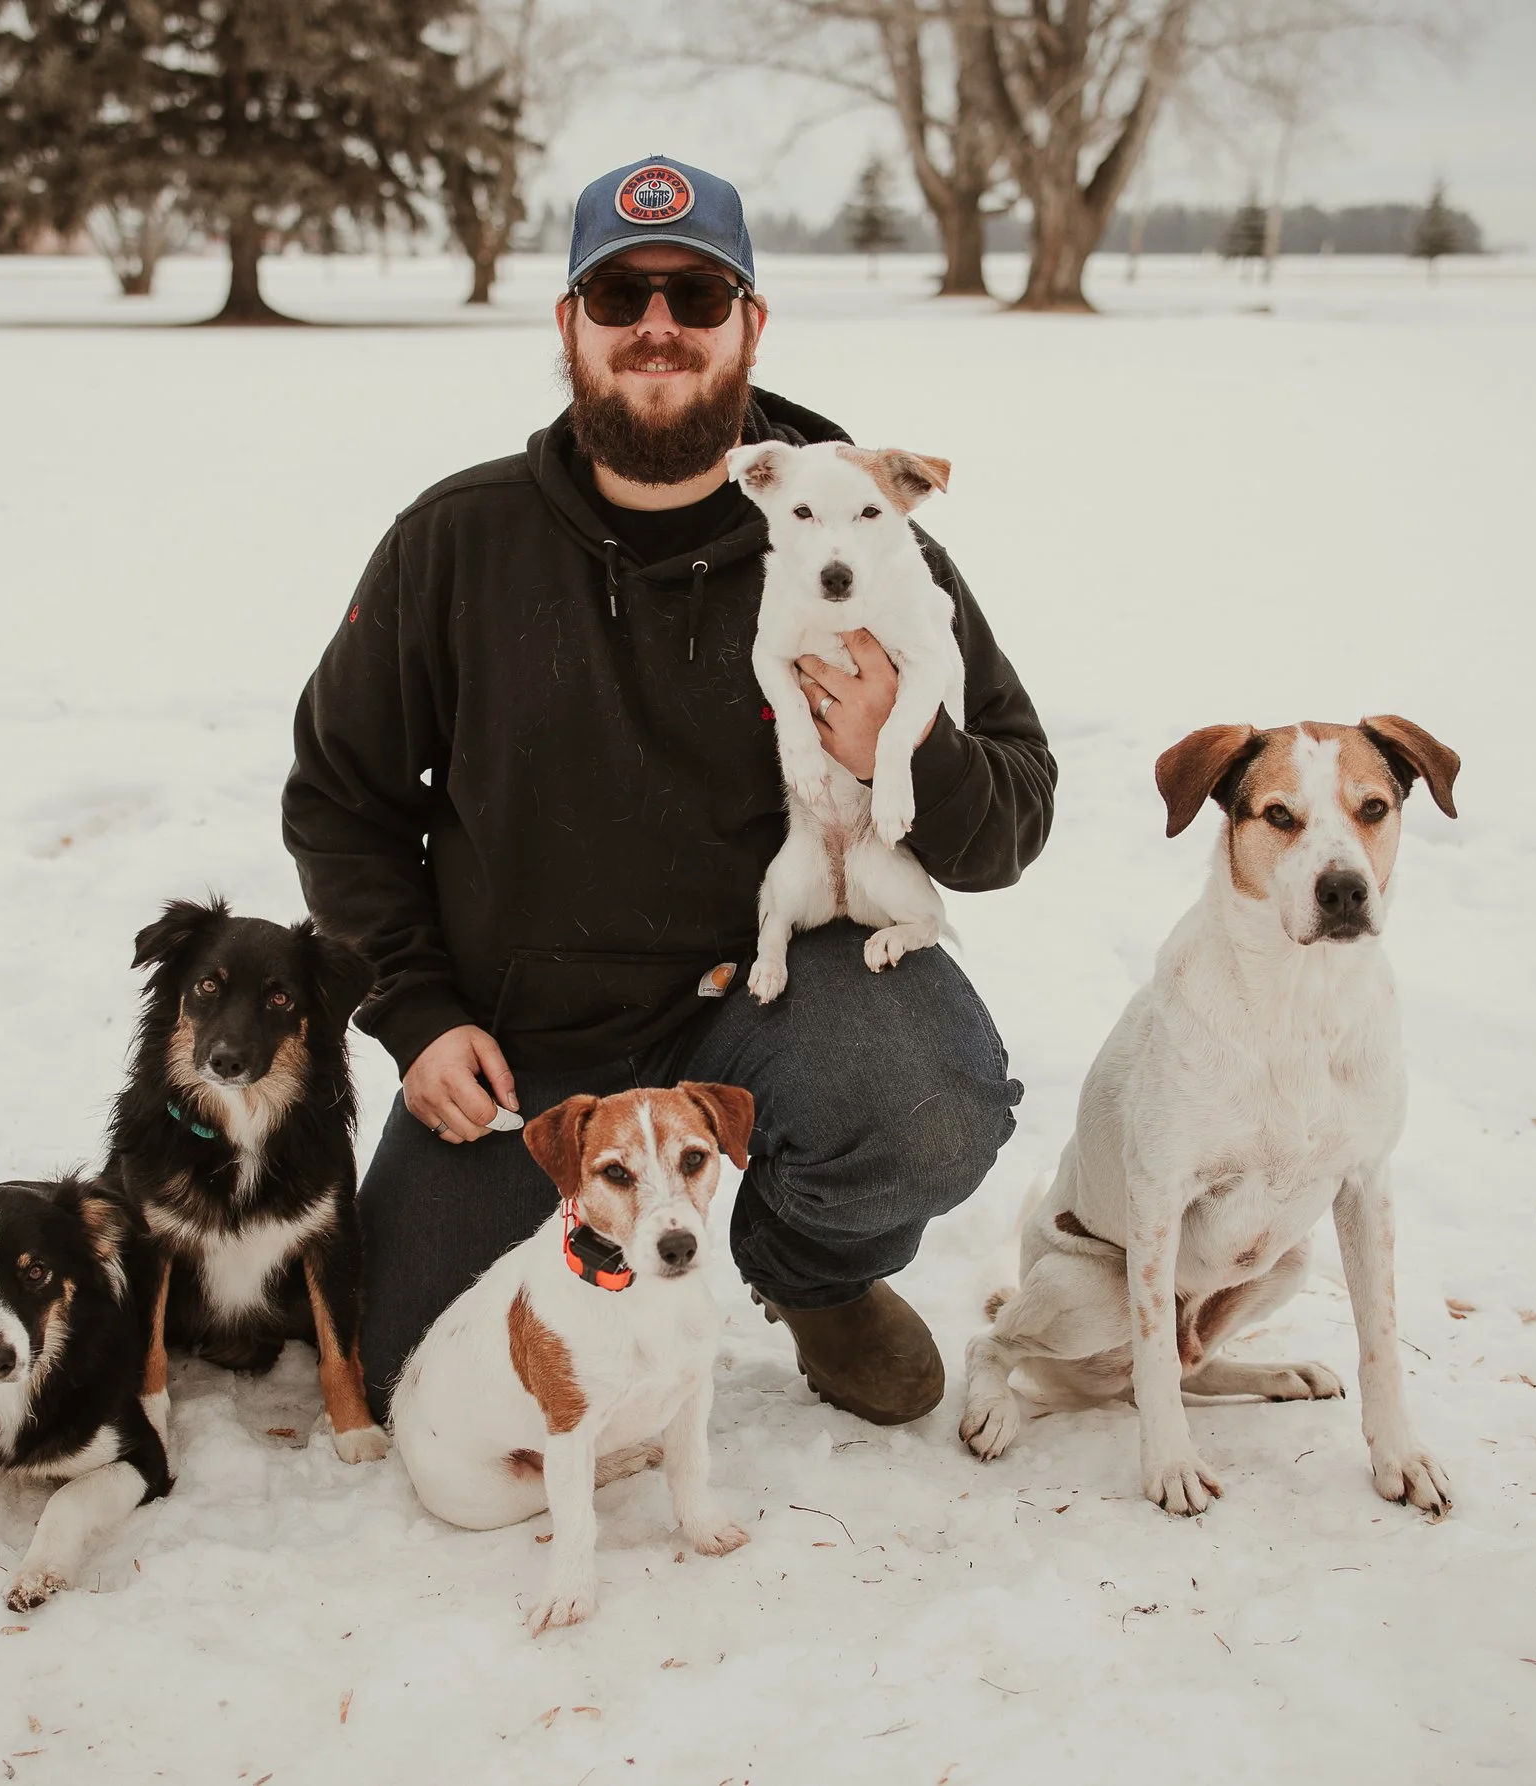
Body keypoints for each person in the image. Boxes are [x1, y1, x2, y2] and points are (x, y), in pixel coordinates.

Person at [282, 156, 1054, 1427]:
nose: (657, 325)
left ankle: (810, 1275)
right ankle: (583, 1236)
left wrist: (887, 751)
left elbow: (1016, 804)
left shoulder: (856, 528)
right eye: (619, 292)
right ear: (569, 325)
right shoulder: (455, 542)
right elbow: (338, 799)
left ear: (749, 324)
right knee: (403, 1362)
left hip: (769, 995)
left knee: (930, 1106)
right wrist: (416, 1014)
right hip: (531, 1039)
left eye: (696, 294)